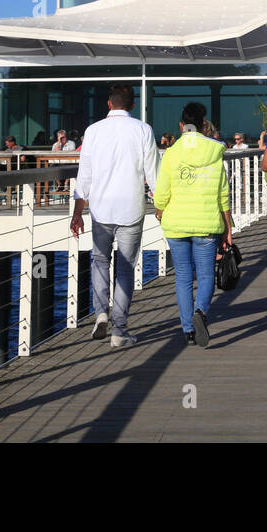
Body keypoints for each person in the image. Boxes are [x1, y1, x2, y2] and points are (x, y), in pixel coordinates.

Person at [70, 85, 159, 348]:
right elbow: (152, 173)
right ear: (132, 105)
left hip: (100, 209)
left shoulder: (93, 131)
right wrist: (161, 205)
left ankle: (100, 313)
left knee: (99, 261)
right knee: (126, 268)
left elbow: (84, 175)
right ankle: (120, 330)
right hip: (131, 209)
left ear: (109, 104)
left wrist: (77, 213)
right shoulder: (143, 130)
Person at [153, 102, 232, 348]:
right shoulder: (215, 150)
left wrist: (160, 209)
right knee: (206, 274)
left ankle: (188, 329)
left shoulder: (172, 152)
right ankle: (201, 312)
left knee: (184, 278)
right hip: (206, 222)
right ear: (203, 125)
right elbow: (223, 193)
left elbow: (162, 189)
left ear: (181, 125)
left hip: (176, 222)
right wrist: (227, 226)